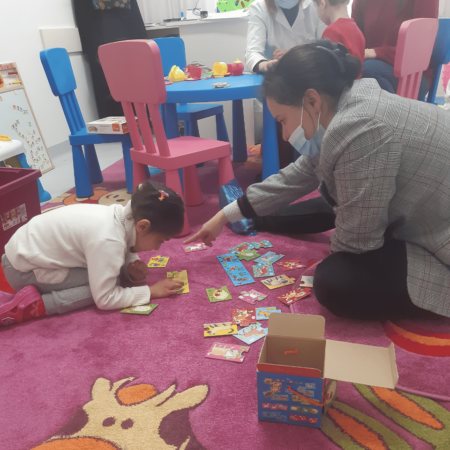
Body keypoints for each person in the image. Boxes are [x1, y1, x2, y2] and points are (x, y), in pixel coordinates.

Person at [185, 39, 450, 321]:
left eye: (283, 119)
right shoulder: (346, 104)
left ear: (311, 100)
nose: (285, 134)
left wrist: (341, 248)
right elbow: (299, 174)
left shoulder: (358, 128)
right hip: (423, 207)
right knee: (336, 199)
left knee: (334, 279)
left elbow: (356, 244)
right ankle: (256, 218)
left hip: (438, 238)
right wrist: (225, 215)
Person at [0, 182, 185, 326]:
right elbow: (104, 299)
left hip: (22, 254)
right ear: (142, 226)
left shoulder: (120, 216)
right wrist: (150, 291)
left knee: (112, 273)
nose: (158, 248)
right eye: (160, 240)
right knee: (112, 285)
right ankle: (38, 306)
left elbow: (125, 244)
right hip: (23, 271)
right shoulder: (108, 239)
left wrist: (130, 266)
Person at [246, 0, 326, 168]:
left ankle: (305, 163)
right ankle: (282, 165)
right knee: (283, 107)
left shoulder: (315, 5)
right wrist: (269, 64)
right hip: (278, 77)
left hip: (310, 76)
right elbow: (253, 53)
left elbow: (325, 47)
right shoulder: (259, 8)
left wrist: (293, 55)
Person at [352, 0, 439, 100]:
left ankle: (396, 114)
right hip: (372, 66)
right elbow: (355, 37)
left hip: (413, 73)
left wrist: (376, 53)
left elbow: (422, 47)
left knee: (369, 72)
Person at [313, 0, 365, 74]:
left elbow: (325, 70)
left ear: (322, 3)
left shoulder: (331, 31)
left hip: (340, 84)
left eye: (315, 6)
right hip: (357, 83)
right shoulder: (357, 30)